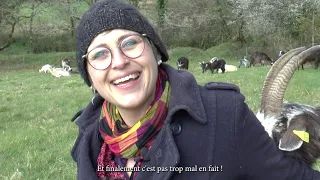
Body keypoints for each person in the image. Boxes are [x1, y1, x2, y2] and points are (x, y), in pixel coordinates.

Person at [71, 0, 320, 180]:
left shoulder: (226, 117)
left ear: (155, 51)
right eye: (100, 54)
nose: (119, 61)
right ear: (90, 77)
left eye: (130, 43)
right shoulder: (89, 140)